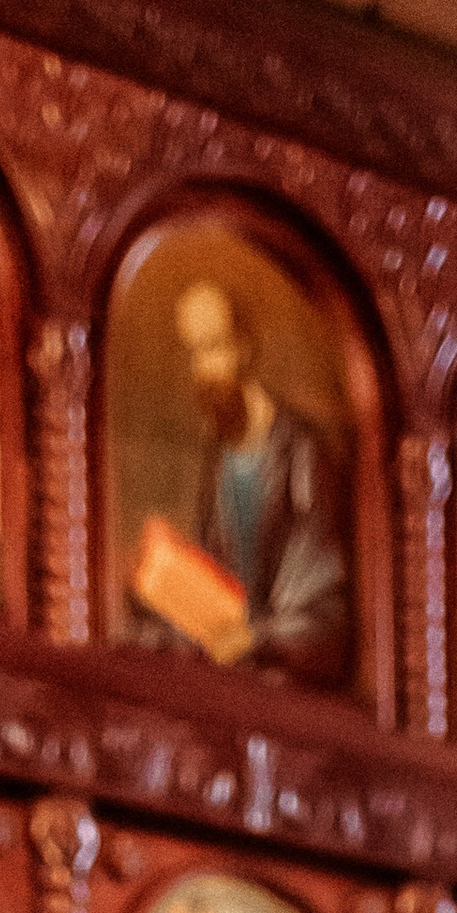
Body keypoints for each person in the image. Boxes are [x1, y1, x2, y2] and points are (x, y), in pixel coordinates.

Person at [128, 278, 353, 689]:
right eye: (194, 351)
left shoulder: (301, 450)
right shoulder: (221, 457)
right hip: (232, 670)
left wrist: (253, 638)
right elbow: (215, 587)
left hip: (286, 677)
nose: (204, 369)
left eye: (215, 346)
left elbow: (321, 603)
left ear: (245, 347)